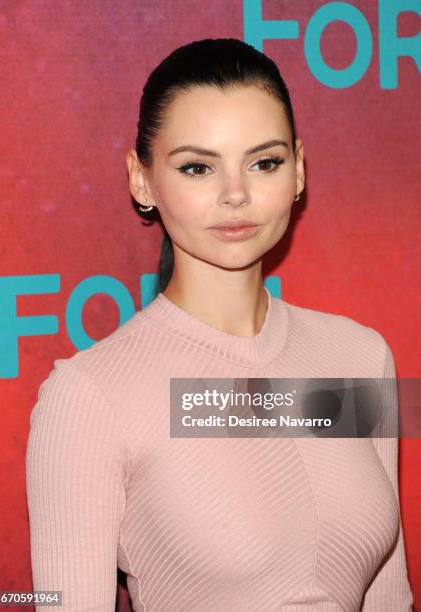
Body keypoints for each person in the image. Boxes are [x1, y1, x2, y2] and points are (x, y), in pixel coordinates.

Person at [25, 38, 413, 611]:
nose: (236, 194)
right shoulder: (88, 398)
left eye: (264, 162)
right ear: (142, 180)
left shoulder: (360, 357)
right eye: (197, 167)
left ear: (299, 170)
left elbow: (389, 598)